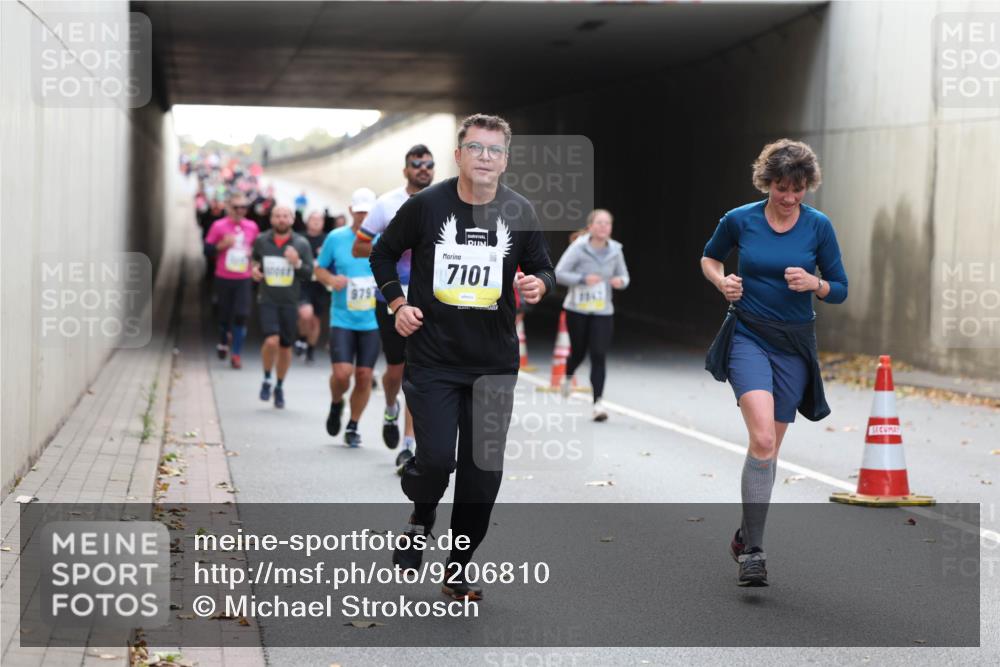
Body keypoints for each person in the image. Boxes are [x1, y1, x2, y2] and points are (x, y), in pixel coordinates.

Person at [371, 114, 555, 601]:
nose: (485, 158)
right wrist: (398, 303)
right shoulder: (427, 205)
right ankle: (421, 516)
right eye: (476, 149)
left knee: (483, 476)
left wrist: (539, 284)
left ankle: (457, 567)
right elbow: (382, 253)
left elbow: (542, 268)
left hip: (494, 363)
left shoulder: (520, 211)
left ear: (506, 159)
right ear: (459, 156)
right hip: (433, 358)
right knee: (434, 461)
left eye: (494, 151)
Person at [701, 139, 848, 587]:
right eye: (781, 187)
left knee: (770, 449)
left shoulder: (818, 227)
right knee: (762, 437)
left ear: (808, 186)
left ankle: (748, 531)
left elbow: (840, 287)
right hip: (747, 334)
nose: (789, 197)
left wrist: (815, 283)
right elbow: (709, 257)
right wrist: (722, 280)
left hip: (794, 345)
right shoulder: (740, 220)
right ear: (767, 182)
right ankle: (755, 554)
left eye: (798, 189)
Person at [352, 144, 435, 466]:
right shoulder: (386, 204)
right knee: (396, 370)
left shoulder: (446, 202)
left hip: (430, 299)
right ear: (406, 170)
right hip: (390, 296)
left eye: (429, 164)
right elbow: (360, 246)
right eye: (417, 164)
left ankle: (408, 444)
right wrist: (391, 243)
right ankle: (390, 408)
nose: (423, 169)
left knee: (417, 370)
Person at [315, 188, 381, 447]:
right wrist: (331, 279)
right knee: (342, 375)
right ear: (351, 210)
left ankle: (353, 425)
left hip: (372, 320)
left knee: (364, 375)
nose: (364, 216)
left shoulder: (382, 239)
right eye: (360, 211)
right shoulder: (336, 238)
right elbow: (319, 269)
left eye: (368, 211)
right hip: (342, 318)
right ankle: (336, 402)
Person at [554, 208, 630, 421]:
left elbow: (625, 277)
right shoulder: (578, 248)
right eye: (599, 223)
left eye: (607, 223)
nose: (604, 227)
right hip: (577, 308)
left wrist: (619, 282)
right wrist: (582, 278)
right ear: (590, 227)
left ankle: (598, 404)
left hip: (602, 310)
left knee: (598, 354)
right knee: (578, 351)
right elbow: (558, 273)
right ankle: (567, 377)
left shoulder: (616, 250)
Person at [250, 205, 315, 408]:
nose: (281, 219)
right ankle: (267, 378)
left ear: (292, 219)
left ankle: (279, 386)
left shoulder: (301, 244)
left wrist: (296, 263)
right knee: (271, 341)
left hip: (289, 301)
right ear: (271, 219)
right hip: (267, 299)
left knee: (285, 346)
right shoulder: (262, 240)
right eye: (277, 216)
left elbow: (308, 273)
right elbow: (255, 262)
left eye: (285, 216)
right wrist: (254, 271)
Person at [204, 193, 259, 368]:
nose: (240, 211)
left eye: (244, 207)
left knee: (242, 316)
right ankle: (223, 338)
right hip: (224, 277)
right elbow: (207, 250)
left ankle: (236, 354)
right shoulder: (218, 226)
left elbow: (257, 251)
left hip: (243, 278)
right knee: (224, 315)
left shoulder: (252, 226)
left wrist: (254, 261)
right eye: (236, 207)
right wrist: (222, 245)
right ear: (229, 208)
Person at [295, 210, 330, 362]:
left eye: (319, 219)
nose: (316, 222)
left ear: (323, 223)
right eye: (313, 219)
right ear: (307, 221)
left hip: (321, 284)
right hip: (303, 282)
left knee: (315, 320)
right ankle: (301, 337)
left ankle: (310, 349)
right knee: (305, 314)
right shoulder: (299, 238)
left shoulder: (328, 240)